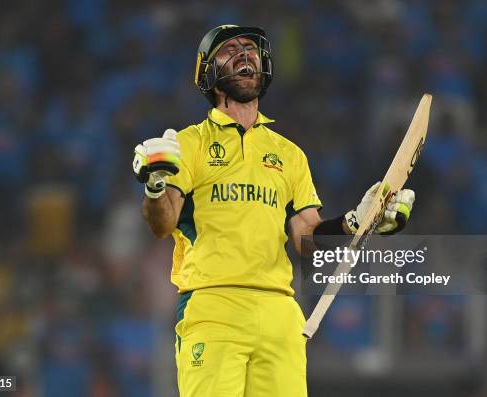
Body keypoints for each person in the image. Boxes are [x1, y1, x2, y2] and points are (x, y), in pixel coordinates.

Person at [132, 25, 415, 397]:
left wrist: (356, 222)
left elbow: (308, 241)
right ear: (208, 73)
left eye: (249, 48)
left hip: (279, 310)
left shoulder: (289, 154)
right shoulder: (189, 143)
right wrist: (155, 186)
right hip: (213, 305)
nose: (244, 54)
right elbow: (162, 224)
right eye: (229, 50)